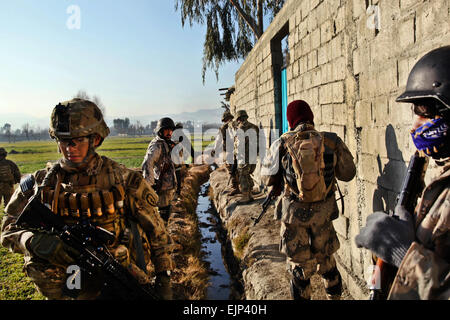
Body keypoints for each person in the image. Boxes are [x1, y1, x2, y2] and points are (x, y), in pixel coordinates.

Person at [0, 98, 174, 300]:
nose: (69, 148)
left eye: (78, 140)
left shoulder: (125, 181)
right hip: (63, 289)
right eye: (63, 140)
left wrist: (164, 281)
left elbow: (158, 235)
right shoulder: (40, 183)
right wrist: (33, 241)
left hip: (115, 282)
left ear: (96, 139)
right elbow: (8, 228)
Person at [355, 46, 450, 300]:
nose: (415, 124)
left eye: (424, 112)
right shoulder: (439, 171)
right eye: (415, 112)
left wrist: (403, 253)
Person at [261, 100, 356, 300]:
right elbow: (348, 173)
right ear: (311, 117)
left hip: (293, 216)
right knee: (328, 264)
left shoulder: (281, 143)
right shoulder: (331, 140)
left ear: (290, 121)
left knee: (300, 270)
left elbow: (267, 179)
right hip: (323, 214)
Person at [142, 117, 177, 223]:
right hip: (162, 187)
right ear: (160, 131)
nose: (169, 132)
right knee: (163, 216)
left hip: (167, 186)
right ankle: (162, 237)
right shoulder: (157, 145)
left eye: (171, 130)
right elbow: (147, 163)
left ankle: (164, 234)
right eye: (166, 130)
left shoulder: (166, 143)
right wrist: (150, 184)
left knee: (166, 212)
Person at [233, 110, 260, 204]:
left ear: (238, 119)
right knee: (248, 174)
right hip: (252, 155)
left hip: (244, 156)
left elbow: (240, 144)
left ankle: (245, 196)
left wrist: (236, 153)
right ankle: (250, 194)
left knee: (243, 175)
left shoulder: (241, 128)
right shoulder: (254, 127)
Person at [212, 110, 239, 193]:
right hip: (239, 151)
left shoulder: (224, 128)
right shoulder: (237, 124)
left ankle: (235, 187)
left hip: (229, 152)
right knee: (239, 169)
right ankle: (241, 186)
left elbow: (218, 141)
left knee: (231, 170)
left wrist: (214, 150)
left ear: (225, 119)